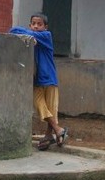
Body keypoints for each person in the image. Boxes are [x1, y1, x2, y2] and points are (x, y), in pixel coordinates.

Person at [9, 12, 68, 150]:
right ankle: (58, 130)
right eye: (33, 24)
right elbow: (12, 30)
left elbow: (16, 30)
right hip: (36, 80)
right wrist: (29, 33)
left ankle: (50, 135)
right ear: (30, 25)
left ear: (45, 27)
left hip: (49, 79)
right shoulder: (31, 36)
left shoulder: (46, 36)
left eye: (39, 24)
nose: (36, 27)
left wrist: (28, 33)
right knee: (40, 105)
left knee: (51, 108)